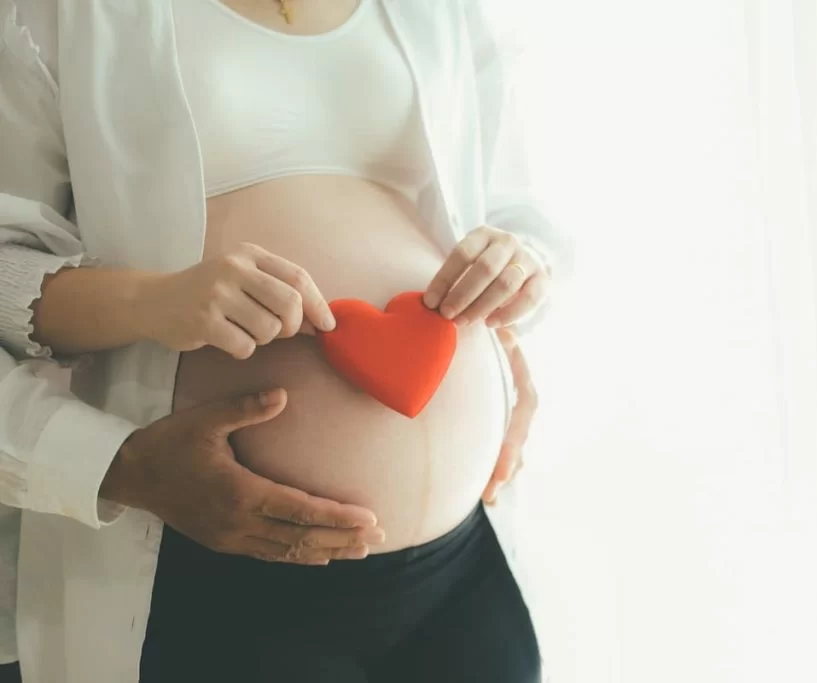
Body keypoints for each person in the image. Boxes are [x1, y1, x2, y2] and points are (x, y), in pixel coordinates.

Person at [0, 0, 571, 681]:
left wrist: (521, 269)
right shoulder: (57, 13)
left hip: (462, 572)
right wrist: (149, 318)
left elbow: (510, 213)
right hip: (217, 583)